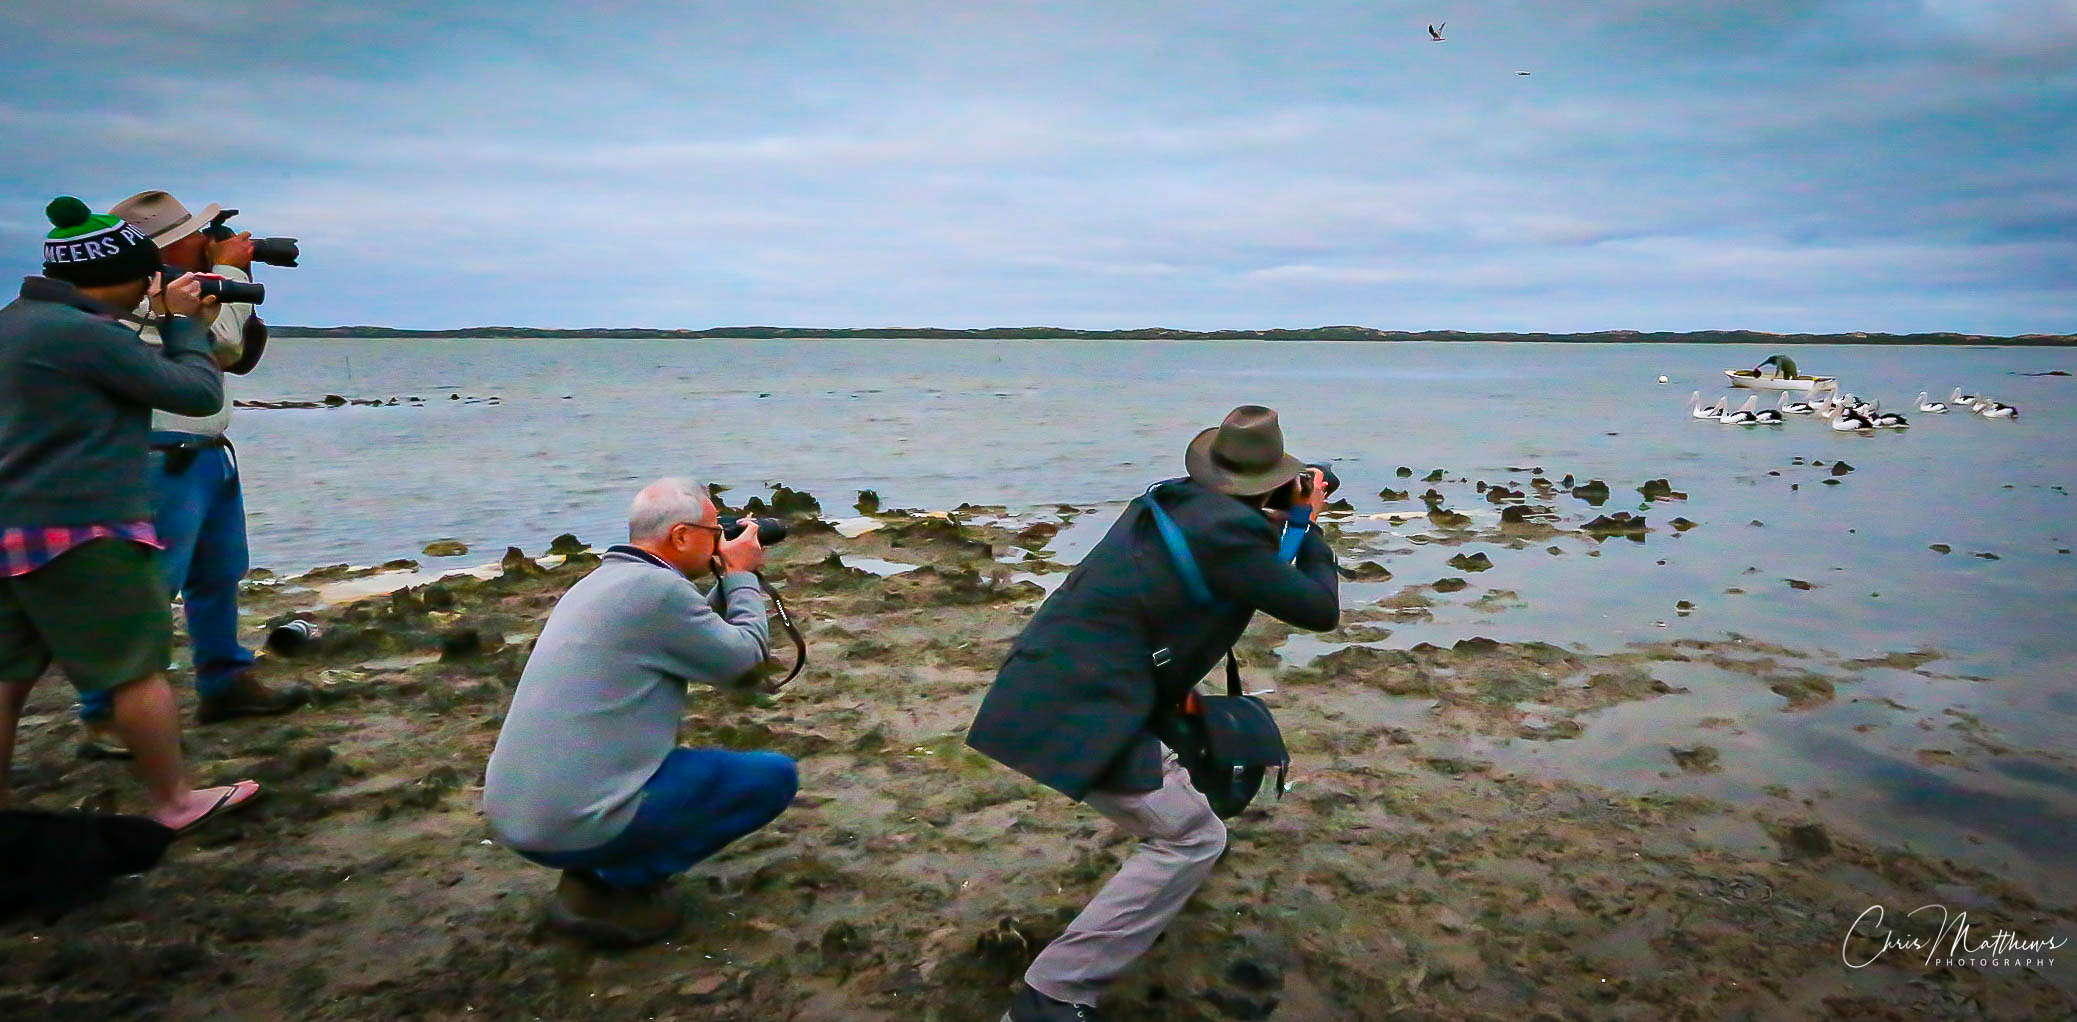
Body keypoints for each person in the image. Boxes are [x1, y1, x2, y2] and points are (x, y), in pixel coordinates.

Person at [967, 405, 1340, 1022]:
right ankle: (1052, 996)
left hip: (1056, 680)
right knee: (1193, 837)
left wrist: (1285, 523)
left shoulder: (1172, 502)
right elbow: (1316, 609)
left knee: (1195, 763)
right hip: (1082, 706)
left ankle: (1153, 895)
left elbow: (1248, 564)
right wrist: (1313, 529)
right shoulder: (1231, 534)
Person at [0, 196, 261, 831]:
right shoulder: (84, 333)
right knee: (137, 670)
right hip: (84, 526)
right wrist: (184, 326)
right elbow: (195, 393)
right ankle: (175, 801)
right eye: (147, 276)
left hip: (15, 519)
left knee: (7, 674)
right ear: (120, 273)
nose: (154, 287)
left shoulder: (15, 322)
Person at [483, 478, 799, 946]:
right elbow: (746, 663)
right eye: (715, 531)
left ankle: (593, 870)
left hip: (517, 815)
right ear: (681, 537)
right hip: (566, 823)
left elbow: (695, 634)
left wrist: (727, 576)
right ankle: (612, 884)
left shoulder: (605, 582)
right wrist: (741, 576)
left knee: (684, 770)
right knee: (772, 777)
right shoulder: (657, 593)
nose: (721, 540)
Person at [69, 191, 305, 758]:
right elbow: (219, 341)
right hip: (157, 457)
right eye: (199, 235)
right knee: (147, 589)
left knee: (219, 574)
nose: (208, 242)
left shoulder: (175, 291)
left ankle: (225, 681)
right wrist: (228, 268)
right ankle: (106, 715)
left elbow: (226, 351)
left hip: (201, 453)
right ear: (167, 245)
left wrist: (223, 277)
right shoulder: (135, 297)